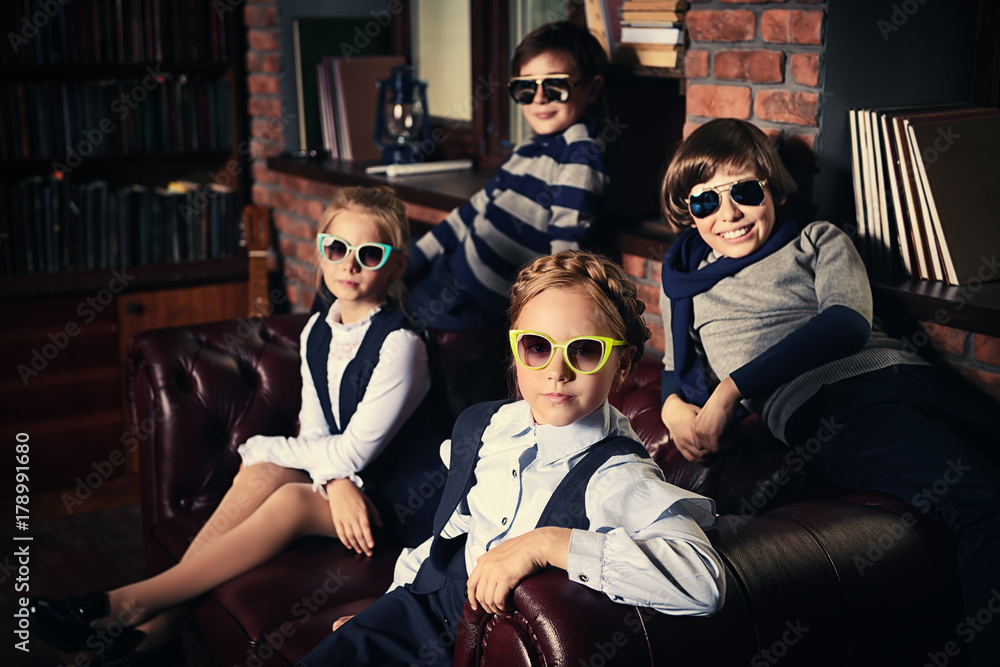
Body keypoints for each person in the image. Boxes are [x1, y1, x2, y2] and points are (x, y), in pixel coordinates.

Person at [29, 186, 447, 665]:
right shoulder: (316, 332)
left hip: (401, 505)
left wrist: (270, 448)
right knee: (268, 471)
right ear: (320, 250)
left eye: (369, 254)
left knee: (285, 487)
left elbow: (354, 452)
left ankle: (128, 603)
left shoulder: (402, 346)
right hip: (352, 488)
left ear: (394, 266)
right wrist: (331, 480)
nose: (349, 265)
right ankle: (161, 623)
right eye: (337, 248)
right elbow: (315, 435)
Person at [657, 117, 1000, 667]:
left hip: (910, 376)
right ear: (687, 212)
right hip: (832, 407)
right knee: (984, 504)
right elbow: (676, 374)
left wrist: (729, 392)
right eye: (706, 203)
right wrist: (674, 406)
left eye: (745, 191)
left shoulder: (820, 239)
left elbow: (846, 323)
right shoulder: (685, 287)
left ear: (772, 187)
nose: (730, 215)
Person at [301, 249, 726, 667]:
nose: (558, 371)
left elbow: (703, 583)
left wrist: (548, 544)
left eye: (584, 350)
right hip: (415, 611)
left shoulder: (616, 474)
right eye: (538, 347)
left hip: (489, 645)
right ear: (515, 349)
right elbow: (453, 536)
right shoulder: (488, 426)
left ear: (622, 362)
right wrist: (384, 612)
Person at [402, 20, 611, 331]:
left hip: (476, 303)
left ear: (591, 89)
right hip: (453, 272)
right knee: (364, 270)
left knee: (379, 307)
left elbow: (567, 250)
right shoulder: (527, 148)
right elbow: (471, 213)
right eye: (526, 87)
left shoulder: (579, 154)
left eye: (555, 86)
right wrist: (413, 256)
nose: (539, 98)